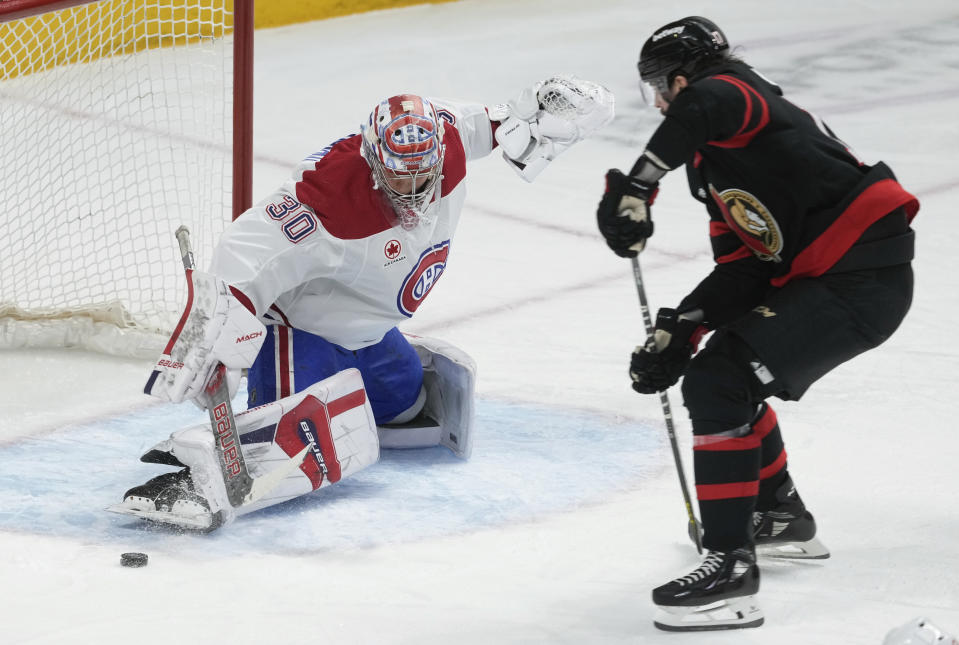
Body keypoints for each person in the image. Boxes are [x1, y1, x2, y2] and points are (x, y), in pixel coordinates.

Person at [111, 77, 615, 531]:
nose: (415, 191)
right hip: (302, 329)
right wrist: (215, 338)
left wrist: (556, 109)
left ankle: (367, 368)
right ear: (374, 160)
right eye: (399, 177)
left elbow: (506, 121)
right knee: (294, 443)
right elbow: (243, 253)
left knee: (408, 407)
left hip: (371, 331)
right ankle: (196, 479)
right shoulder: (327, 197)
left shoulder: (450, 136)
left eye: (424, 175)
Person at [595, 16, 918, 631]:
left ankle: (730, 569)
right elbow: (746, 265)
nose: (659, 103)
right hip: (831, 279)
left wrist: (637, 186)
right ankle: (779, 515)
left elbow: (709, 101)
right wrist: (682, 328)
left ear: (683, 80)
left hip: (861, 282)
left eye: (661, 88)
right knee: (723, 372)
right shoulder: (714, 162)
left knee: (721, 381)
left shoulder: (740, 98)